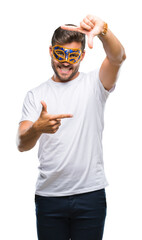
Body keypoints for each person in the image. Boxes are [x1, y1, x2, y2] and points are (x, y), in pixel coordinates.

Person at [17, 14, 126, 240]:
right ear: (51, 51)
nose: (66, 61)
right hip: (49, 197)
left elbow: (118, 58)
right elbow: (21, 144)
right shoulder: (35, 95)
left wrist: (104, 30)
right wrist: (37, 128)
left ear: (82, 56)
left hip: (90, 195)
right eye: (60, 53)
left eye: (73, 55)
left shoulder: (95, 83)